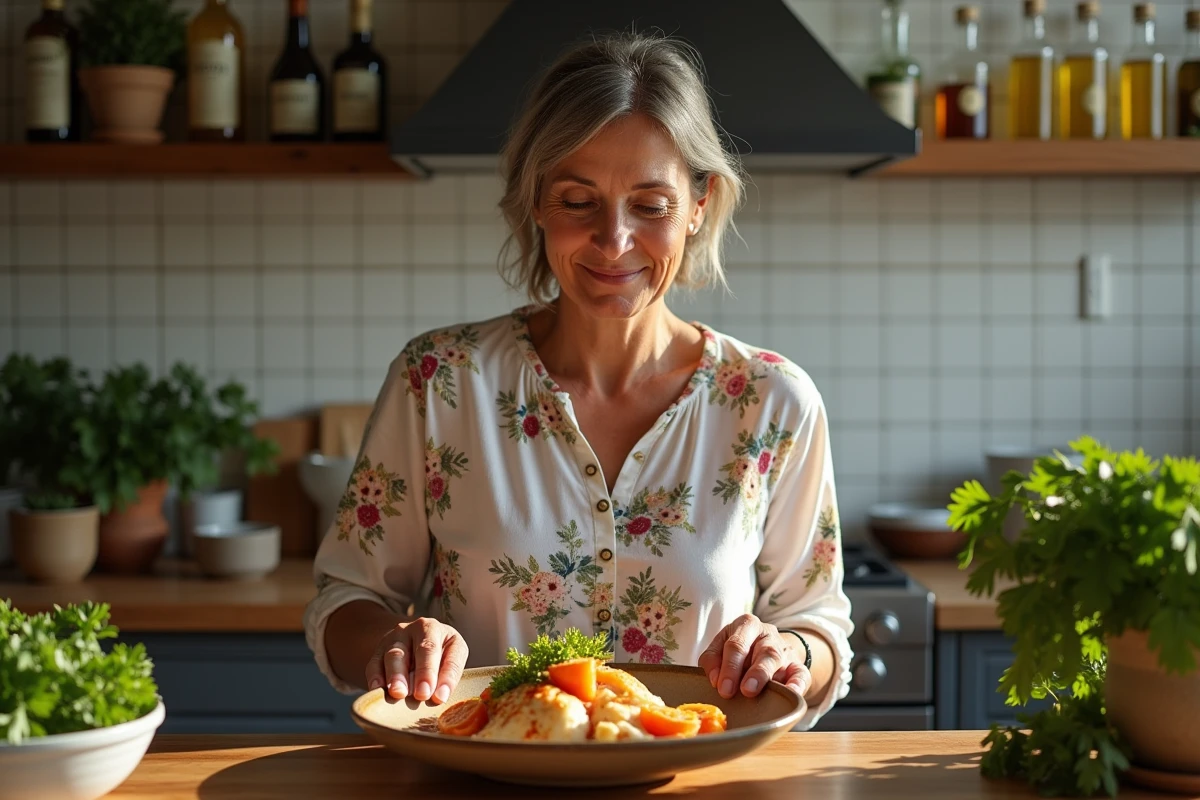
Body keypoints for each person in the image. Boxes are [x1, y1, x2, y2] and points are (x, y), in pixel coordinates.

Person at [304, 31, 853, 730]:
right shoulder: (439, 382)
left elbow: (819, 625)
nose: (614, 240)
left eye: (650, 205)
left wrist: (789, 653)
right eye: (577, 200)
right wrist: (391, 641)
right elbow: (346, 595)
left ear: (698, 204)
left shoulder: (773, 402)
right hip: (485, 782)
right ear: (536, 201)